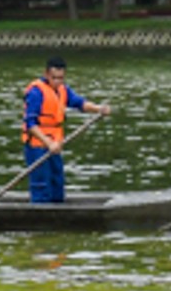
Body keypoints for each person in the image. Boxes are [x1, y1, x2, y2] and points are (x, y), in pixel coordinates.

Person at [21, 56, 109, 204]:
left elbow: (79, 103)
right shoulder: (36, 92)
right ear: (47, 74)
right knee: (41, 184)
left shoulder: (63, 89)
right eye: (54, 78)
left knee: (57, 182)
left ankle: (57, 213)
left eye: (61, 78)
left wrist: (98, 109)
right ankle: (40, 216)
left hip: (55, 145)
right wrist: (48, 142)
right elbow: (30, 124)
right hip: (37, 146)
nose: (57, 82)